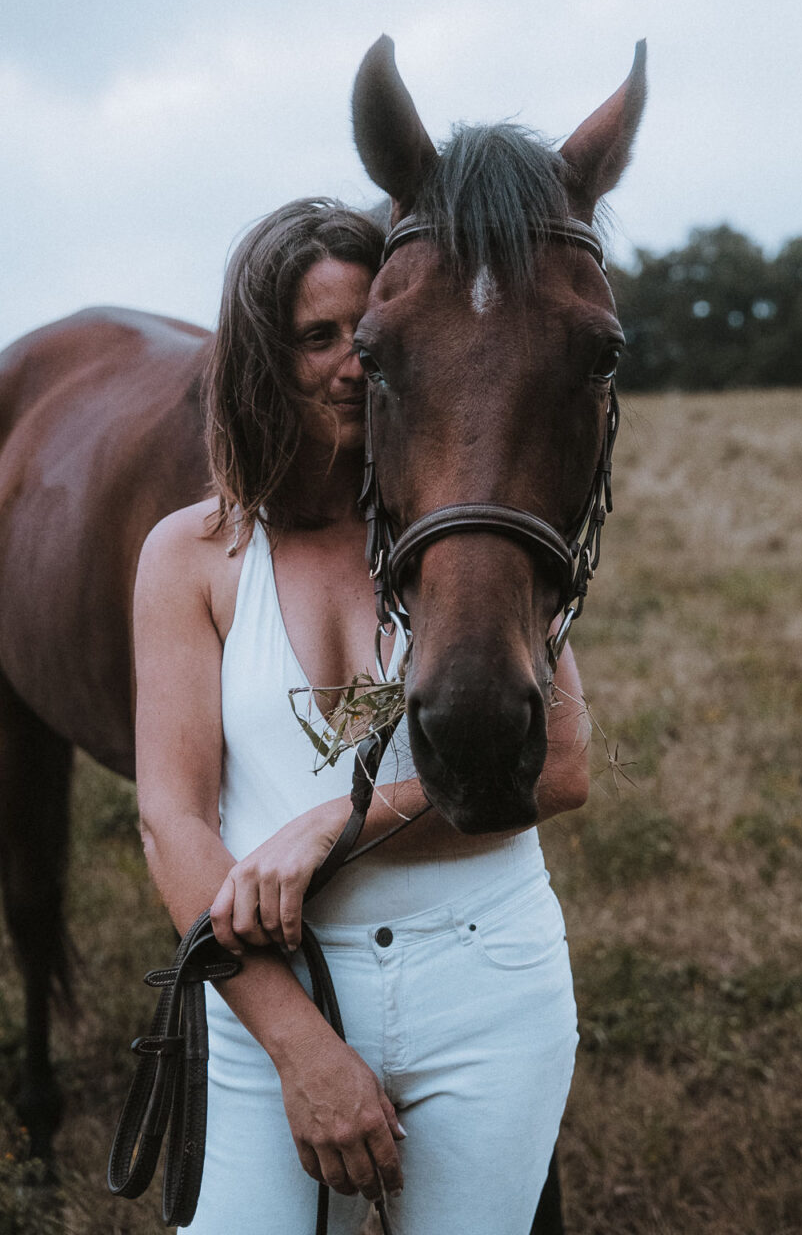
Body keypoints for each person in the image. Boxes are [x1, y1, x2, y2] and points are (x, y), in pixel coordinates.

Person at [133, 197, 591, 1234]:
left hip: (485, 969)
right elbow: (173, 825)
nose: (348, 364)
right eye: (315, 336)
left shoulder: (461, 530)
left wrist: (338, 823)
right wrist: (298, 1048)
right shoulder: (193, 556)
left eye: (365, 337)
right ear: (260, 356)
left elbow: (561, 768)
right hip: (278, 992)